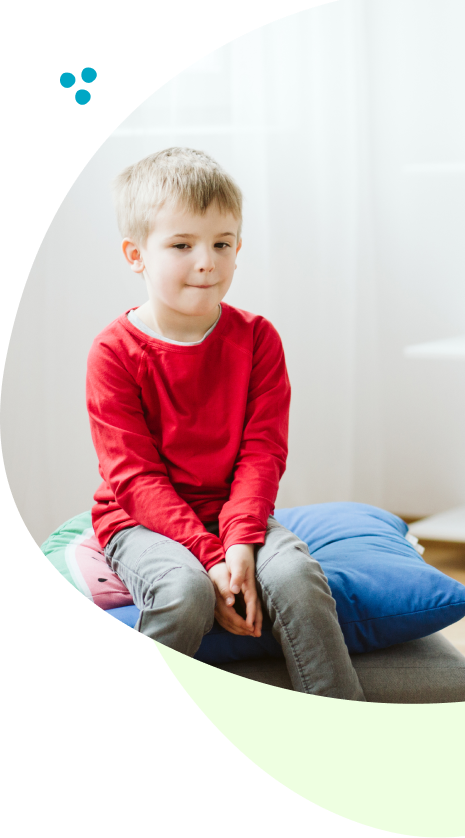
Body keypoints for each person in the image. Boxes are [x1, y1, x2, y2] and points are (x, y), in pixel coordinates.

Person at [86, 147, 365, 701]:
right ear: (136, 254)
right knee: (185, 592)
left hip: (233, 511)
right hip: (141, 521)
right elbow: (135, 480)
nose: (206, 261)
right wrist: (211, 557)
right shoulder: (113, 352)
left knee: (298, 582)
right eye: (182, 245)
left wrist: (238, 541)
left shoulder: (258, 339)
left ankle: (343, 727)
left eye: (221, 244)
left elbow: (262, 454)